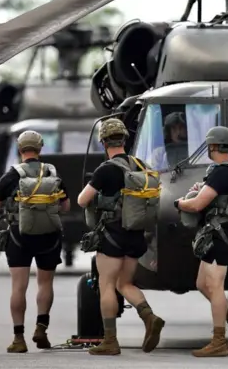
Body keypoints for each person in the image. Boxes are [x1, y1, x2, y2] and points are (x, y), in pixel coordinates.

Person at [77, 118, 165, 356]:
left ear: (104, 142)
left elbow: (82, 200)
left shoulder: (106, 169)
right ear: (125, 139)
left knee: (107, 285)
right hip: (136, 235)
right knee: (125, 283)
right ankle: (149, 315)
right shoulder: (141, 165)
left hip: (112, 235)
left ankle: (110, 341)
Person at [0, 131, 70, 353]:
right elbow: (66, 206)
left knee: (19, 286)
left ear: (19, 149)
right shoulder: (52, 172)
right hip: (49, 235)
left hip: (19, 235)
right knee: (45, 283)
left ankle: (18, 338)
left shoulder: (12, 175)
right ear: (40, 148)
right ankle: (41, 328)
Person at [175, 126, 228, 358]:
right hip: (215, 232)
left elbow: (198, 205)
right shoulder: (223, 171)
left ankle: (219, 340)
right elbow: (212, 197)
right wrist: (202, 191)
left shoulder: (223, 173)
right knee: (202, 283)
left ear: (213, 146)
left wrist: (179, 203)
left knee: (215, 286)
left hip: (221, 234)